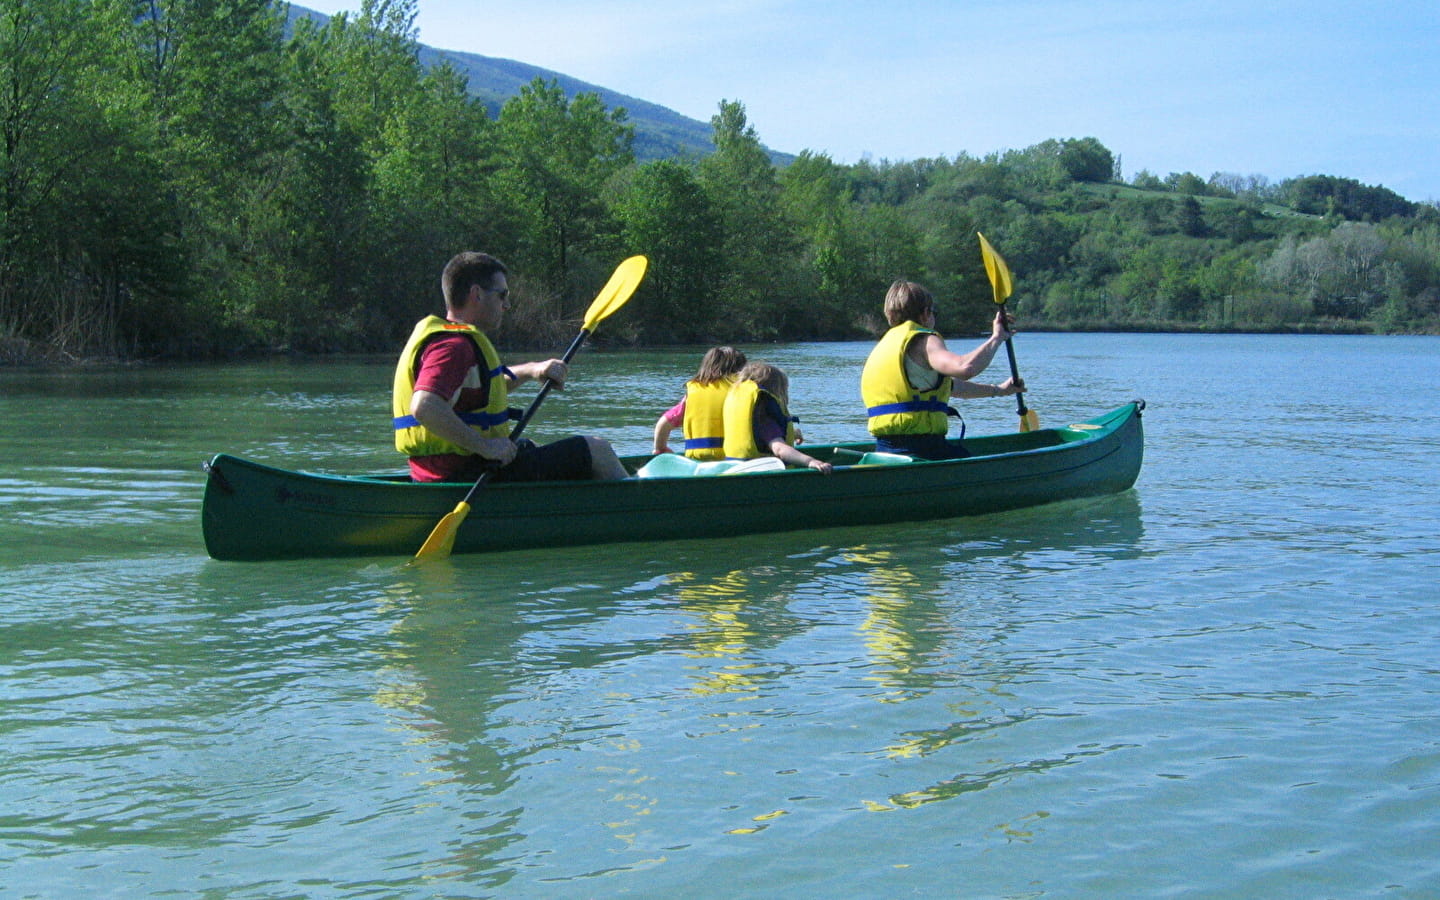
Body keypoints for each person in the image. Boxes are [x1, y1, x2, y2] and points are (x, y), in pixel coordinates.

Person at [392, 251, 628, 483]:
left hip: (447, 471)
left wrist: (532, 370)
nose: (507, 304)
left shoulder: (452, 340)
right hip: (466, 476)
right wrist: (485, 446)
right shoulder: (453, 347)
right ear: (477, 294)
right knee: (597, 450)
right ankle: (638, 511)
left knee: (526, 446)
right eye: (502, 295)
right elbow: (425, 405)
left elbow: (480, 392)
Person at [860, 280, 1024, 460]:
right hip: (922, 450)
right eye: (933, 312)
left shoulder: (884, 346)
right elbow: (965, 368)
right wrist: (996, 338)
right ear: (925, 313)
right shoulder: (924, 340)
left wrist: (999, 390)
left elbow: (951, 387)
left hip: (884, 450)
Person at [722, 362, 833, 473]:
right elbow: (779, 449)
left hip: (737, 469)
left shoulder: (744, 406)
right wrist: (810, 461)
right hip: (761, 476)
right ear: (776, 392)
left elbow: (757, 436)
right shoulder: (765, 421)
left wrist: (792, 433)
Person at [651, 346, 748, 459]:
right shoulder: (743, 391)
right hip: (735, 460)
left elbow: (663, 424)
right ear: (741, 370)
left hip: (699, 461)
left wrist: (660, 448)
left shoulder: (693, 394)